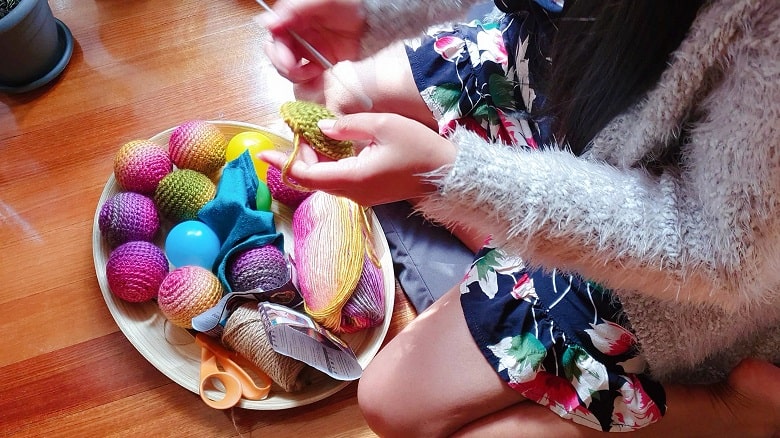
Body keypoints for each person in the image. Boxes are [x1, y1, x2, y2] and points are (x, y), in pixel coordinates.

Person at [260, 0, 780, 436]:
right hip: (575, 57)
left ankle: (735, 413)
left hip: (685, 260)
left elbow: (717, 251)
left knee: (390, 401)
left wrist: (455, 178)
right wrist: (364, 16)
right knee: (351, 91)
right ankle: (503, 239)